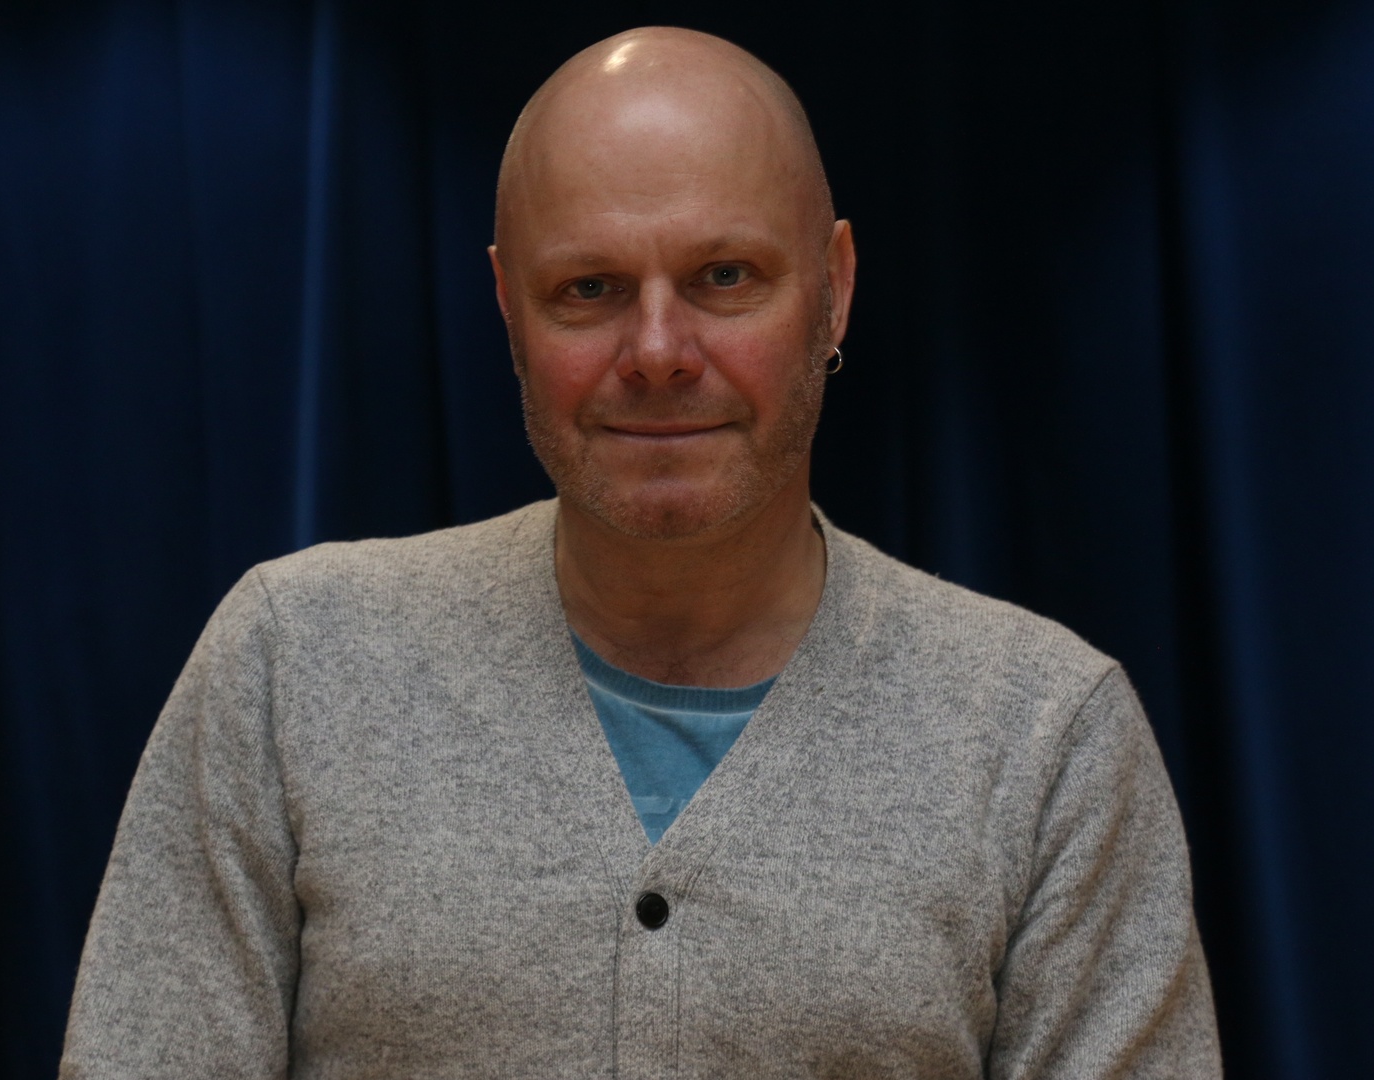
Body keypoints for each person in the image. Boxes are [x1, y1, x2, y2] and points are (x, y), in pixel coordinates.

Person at [60, 26, 1221, 1079]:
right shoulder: (294, 663)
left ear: (835, 290)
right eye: (591, 289)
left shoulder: (1045, 734)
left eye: (725, 278)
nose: (659, 350)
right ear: (509, 308)